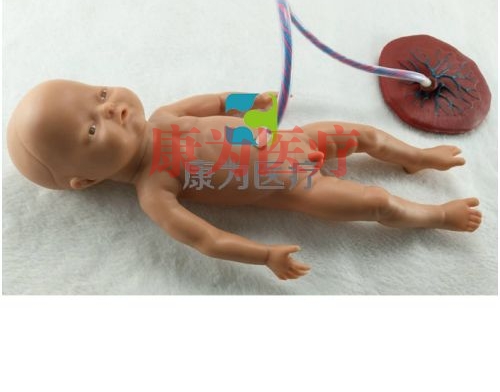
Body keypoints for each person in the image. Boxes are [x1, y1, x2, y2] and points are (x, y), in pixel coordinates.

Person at [7, 80, 482, 280]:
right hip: (297, 186)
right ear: (87, 181)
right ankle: (438, 214)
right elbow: (209, 240)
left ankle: (416, 158)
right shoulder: (155, 191)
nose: (111, 108)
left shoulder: (167, 115)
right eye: (93, 129)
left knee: (363, 136)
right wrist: (265, 255)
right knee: (374, 202)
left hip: (293, 139)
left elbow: (218, 103)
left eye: (99, 94)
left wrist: (252, 104)